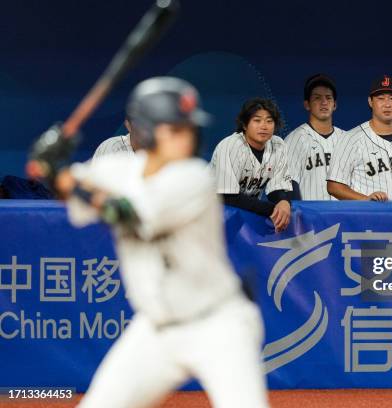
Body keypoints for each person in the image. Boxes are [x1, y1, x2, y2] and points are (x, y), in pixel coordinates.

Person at [54, 77, 269, 408]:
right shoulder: (119, 168)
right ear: (146, 130)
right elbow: (70, 188)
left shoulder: (193, 178)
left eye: (188, 129)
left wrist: (68, 180)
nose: (184, 139)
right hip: (155, 328)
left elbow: (126, 215)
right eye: (173, 129)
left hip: (218, 324)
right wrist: (52, 165)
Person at [326, 75, 392, 201]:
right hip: (367, 218)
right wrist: (365, 199)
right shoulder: (350, 139)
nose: (387, 104)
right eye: (381, 99)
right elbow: (334, 186)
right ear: (370, 101)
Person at [211, 98, 292, 232]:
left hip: (244, 213)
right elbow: (228, 197)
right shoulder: (230, 146)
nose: (264, 126)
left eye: (269, 121)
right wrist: (273, 210)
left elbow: (276, 188)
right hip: (210, 214)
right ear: (244, 124)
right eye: (257, 120)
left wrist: (283, 202)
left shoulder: (278, 145)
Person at [284, 74, 344, 200]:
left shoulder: (347, 139)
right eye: (317, 98)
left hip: (344, 216)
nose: (324, 102)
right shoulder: (295, 139)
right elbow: (289, 184)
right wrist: (299, 214)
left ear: (335, 105)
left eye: (328, 98)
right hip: (311, 217)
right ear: (307, 104)